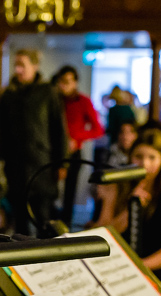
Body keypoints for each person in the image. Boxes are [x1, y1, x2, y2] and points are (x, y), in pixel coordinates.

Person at [99, 129, 161, 292]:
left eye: (152, 158)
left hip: (155, 263)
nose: (145, 164)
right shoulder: (117, 185)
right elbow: (104, 232)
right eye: (138, 157)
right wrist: (130, 208)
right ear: (130, 157)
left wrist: (140, 265)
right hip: (120, 259)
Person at [0, 49, 68, 237]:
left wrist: (62, 162)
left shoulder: (48, 92)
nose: (18, 70)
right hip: (15, 164)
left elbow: (58, 129)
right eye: (16, 65)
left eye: (22, 65)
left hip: (42, 163)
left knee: (44, 216)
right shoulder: (8, 94)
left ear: (35, 66)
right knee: (19, 217)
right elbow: (0, 130)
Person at [54, 65, 104, 227]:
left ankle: (65, 226)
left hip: (73, 152)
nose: (65, 85)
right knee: (49, 191)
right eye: (62, 81)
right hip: (53, 152)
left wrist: (76, 138)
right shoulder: (54, 100)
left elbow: (98, 129)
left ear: (75, 82)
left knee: (69, 193)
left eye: (68, 81)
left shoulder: (83, 101)